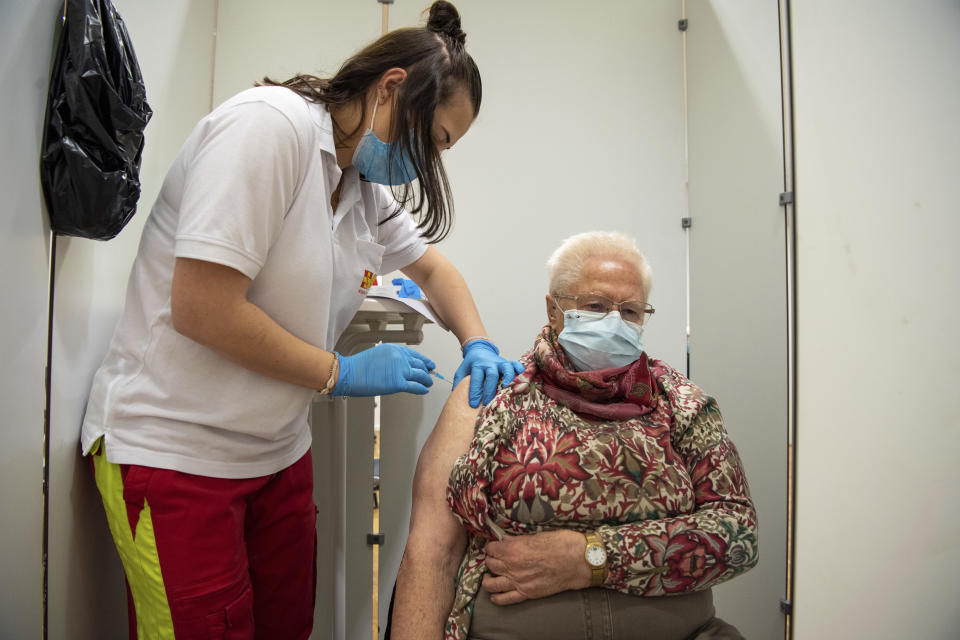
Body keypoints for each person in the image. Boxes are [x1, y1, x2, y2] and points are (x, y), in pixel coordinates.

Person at [80, 2, 522, 638]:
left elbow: (434, 271)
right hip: (175, 451)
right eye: (434, 141)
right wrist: (337, 372)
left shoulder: (359, 183)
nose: (430, 164)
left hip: (276, 454)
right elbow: (203, 308)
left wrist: (476, 341)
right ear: (390, 87)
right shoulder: (269, 129)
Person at [391, 231, 758, 640]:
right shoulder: (491, 397)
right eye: (596, 306)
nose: (615, 322)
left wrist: (590, 559)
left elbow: (737, 532)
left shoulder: (684, 406)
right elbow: (432, 554)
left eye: (631, 311)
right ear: (554, 310)